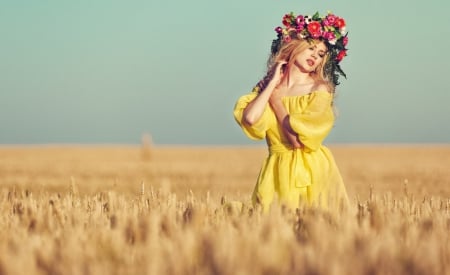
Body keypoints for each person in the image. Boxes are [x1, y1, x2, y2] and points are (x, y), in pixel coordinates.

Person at [233, 11, 350, 212]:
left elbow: (298, 141)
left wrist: (275, 99)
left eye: (321, 54)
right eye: (311, 48)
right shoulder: (269, 90)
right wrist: (271, 86)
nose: (315, 55)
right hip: (276, 169)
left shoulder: (319, 90)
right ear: (294, 46)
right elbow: (251, 119)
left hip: (310, 170)